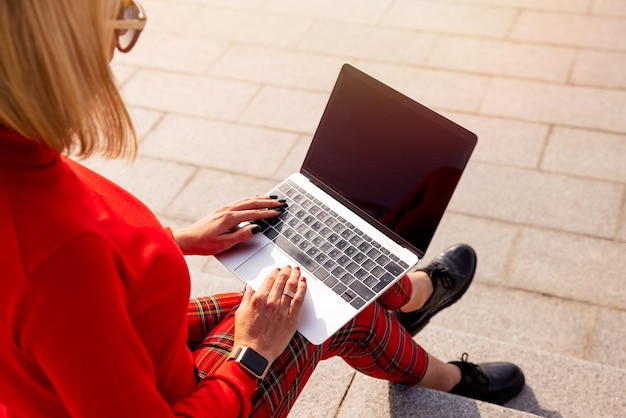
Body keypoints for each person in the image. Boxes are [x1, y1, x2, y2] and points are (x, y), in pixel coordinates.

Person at [0, 1, 525, 416]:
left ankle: (408, 299)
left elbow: (70, 275)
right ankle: (446, 372)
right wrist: (251, 356)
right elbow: (64, 276)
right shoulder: (61, 263)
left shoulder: (18, 161)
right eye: (117, 18)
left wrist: (175, 240)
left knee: (316, 288)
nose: (120, 45)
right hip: (189, 398)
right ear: (52, 53)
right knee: (325, 302)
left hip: (128, 345)